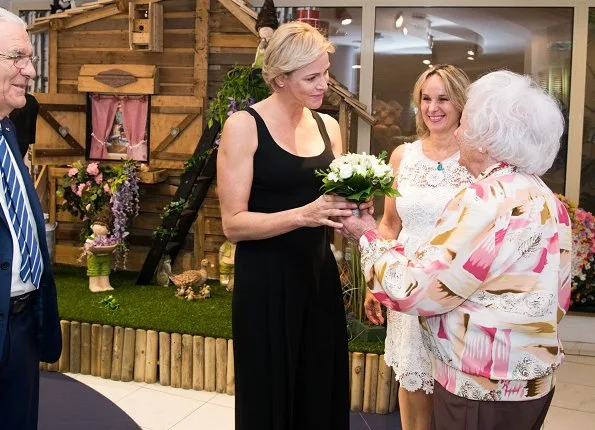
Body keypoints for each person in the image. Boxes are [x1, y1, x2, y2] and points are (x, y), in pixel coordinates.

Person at [340, 70, 571, 430]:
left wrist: (366, 235)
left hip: (481, 386)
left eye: (468, 123)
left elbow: (416, 291)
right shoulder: (543, 195)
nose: (459, 130)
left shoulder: (484, 199)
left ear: (487, 139)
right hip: (531, 380)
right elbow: (559, 292)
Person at [218, 21, 361, 430]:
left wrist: (354, 205)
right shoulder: (244, 127)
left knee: (320, 388)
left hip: (318, 276)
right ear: (280, 79)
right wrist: (304, 214)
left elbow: (333, 205)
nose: (324, 85)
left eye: (326, 73)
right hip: (265, 282)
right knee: (270, 394)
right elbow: (233, 224)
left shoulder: (327, 126)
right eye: (312, 77)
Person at [365, 64, 473, 430]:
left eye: (443, 98)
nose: (433, 107)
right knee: (411, 377)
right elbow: (390, 223)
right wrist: (375, 279)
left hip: (457, 284)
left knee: (453, 384)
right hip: (406, 281)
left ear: (461, 102)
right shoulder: (402, 156)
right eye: (426, 98)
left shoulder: (477, 157)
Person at [0, 8, 62, 430]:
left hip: (21, 324)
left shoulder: (7, 130)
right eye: (17, 57)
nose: (31, 69)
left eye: (30, 57)